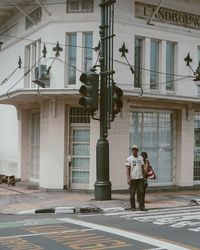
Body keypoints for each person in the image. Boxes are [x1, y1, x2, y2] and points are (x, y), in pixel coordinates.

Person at [125, 144, 147, 211]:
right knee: (132, 194)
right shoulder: (129, 159)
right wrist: (128, 178)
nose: (134, 151)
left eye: (135, 149)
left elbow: (143, 168)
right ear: (132, 150)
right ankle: (133, 207)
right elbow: (127, 169)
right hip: (133, 179)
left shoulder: (141, 158)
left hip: (140, 178)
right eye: (133, 149)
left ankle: (142, 206)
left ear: (137, 150)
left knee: (141, 192)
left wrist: (144, 177)